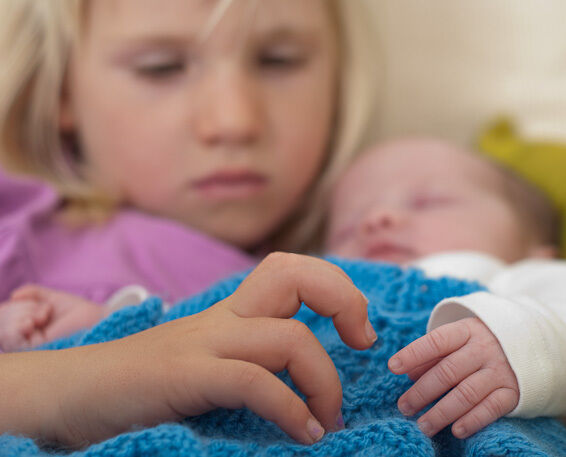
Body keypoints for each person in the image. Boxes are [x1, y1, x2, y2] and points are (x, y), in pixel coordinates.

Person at [0, 0, 376, 447]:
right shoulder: (20, 234)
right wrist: (95, 379)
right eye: (161, 68)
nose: (235, 121)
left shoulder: (387, 237)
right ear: (59, 90)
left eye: (279, 60)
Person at [326, 138, 566, 439]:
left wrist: (515, 346)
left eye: (428, 203)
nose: (374, 219)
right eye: (347, 226)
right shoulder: (323, 284)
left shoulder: (524, 277)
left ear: (532, 250)